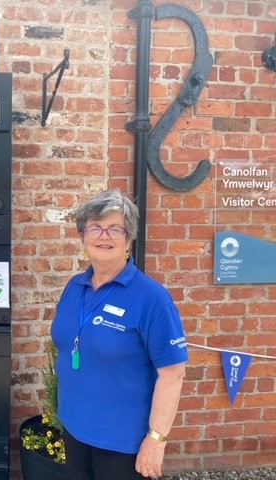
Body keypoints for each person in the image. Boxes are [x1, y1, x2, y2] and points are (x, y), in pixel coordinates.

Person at [51, 189, 188, 480]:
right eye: (95, 228)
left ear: (128, 239)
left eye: (115, 228)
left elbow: (173, 374)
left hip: (122, 442)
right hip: (75, 426)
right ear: (83, 236)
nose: (104, 236)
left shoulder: (152, 299)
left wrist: (156, 439)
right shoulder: (74, 287)